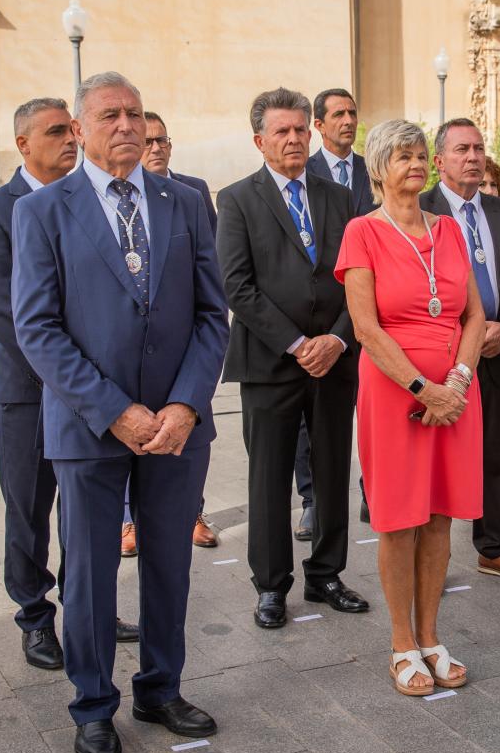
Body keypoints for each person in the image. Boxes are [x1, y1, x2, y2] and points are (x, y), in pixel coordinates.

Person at [12, 71, 229, 753]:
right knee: (90, 575)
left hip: (175, 428)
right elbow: (37, 328)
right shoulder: (44, 212)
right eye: (109, 115)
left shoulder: (185, 201)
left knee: (169, 565)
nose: (127, 126)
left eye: (135, 113)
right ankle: (93, 704)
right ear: (78, 130)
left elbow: (210, 313)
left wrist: (185, 404)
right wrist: (116, 411)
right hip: (89, 428)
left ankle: (160, 688)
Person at [336, 119, 485, 696]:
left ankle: (431, 637)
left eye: (422, 154)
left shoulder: (448, 229)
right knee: (401, 520)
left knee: (442, 515)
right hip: (398, 394)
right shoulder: (362, 233)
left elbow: (472, 314)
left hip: (456, 390)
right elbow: (366, 328)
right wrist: (425, 391)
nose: (418, 163)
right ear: (378, 169)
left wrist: (460, 382)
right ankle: (401, 642)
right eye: (403, 155)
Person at [218, 88, 370, 630]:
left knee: (331, 469)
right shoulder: (236, 199)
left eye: (301, 130)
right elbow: (238, 286)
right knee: (270, 477)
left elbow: (362, 279)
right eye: (282, 131)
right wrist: (298, 344)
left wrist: (336, 339)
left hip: (334, 360)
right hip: (270, 363)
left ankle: (327, 573)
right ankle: (271, 585)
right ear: (260, 140)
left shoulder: (341, 197)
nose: (294, 139)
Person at [0, 97, 82, 670]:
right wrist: (75, 375)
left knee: (88, 510)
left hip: (93, 390)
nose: (70, 140)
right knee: (29, 510)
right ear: (23, 144)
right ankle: (35, 618)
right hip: (31, 391)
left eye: (72, 130)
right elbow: (4, 313)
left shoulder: (88, 201)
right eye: (56, 131)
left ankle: (89, 608)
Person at [421, 119, 500, 583]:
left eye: (477, 148)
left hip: (497, 355)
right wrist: (463, 337)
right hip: (441, 359)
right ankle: (428, 560)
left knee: (493, 459)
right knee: (434, 461)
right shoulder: (420, 209)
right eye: (460, 150)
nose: (472, 157)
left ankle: (494, 549)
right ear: (439, 161)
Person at [141, 109, 219, 550]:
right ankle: (130, 521)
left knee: (190, 429)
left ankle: (193, 513)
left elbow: (208, 261)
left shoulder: (192, 192)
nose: (155, 148)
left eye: (162, 141)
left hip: (185, 340)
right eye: (149, 141)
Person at [299, 87, 375, 531]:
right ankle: (312, 498)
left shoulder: (372, 172)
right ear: (319, 125)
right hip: (320, 309)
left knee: (372, 405)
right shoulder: (300, 171)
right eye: (338, 114)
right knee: (313, 419)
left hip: (369, 308)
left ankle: (373, 490)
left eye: (352, 112)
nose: (348, 121)